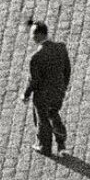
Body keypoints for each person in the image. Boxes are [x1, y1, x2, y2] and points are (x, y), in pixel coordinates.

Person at [22, 20, 71, 156]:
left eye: (32, 34)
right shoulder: (61, 48)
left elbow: (34, 80)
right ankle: (61, 144)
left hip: (42, 95)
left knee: (42, 120)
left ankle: (44, 147)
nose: (31, 37)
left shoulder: (36, 57)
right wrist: (63, 86)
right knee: (53, 114)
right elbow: (67, 70)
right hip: (58, 92)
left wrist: (25, 95)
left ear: (38, 35)